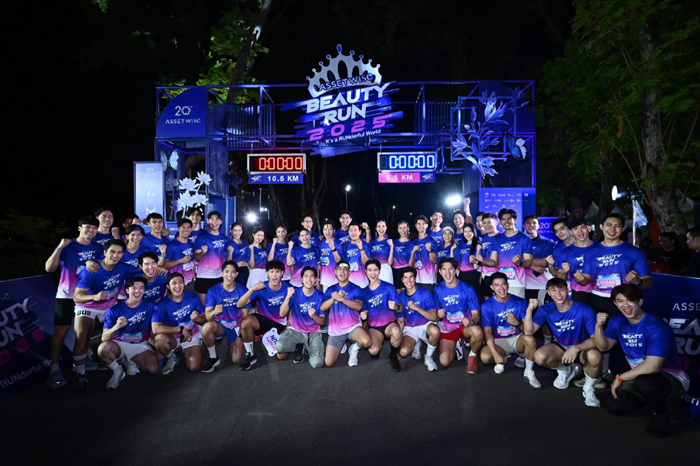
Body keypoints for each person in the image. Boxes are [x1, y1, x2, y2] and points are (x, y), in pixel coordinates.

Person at [595, 284, 690, 437]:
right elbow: (603, 346)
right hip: (639, 375)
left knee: (645, 382)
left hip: (671, 377)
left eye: (630, 300)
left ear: (640, 302)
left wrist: (620, 378)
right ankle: (658, 400)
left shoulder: (656, 326)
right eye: (620, 301)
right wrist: (598, 327)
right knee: (615, 406)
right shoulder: (617, 321)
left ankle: (660, 414)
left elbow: (653, 366)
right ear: (615, 303)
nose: (625, 305)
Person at [523, 278, 602, 407]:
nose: (558, 294)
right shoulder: (546, 309)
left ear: (567, 290)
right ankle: (565, 370)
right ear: (548, 292)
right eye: (553, 290)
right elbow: (528, 331)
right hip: (562, 345)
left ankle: (588, 388)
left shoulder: (584, 309)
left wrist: (576, 348)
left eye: (561, 290)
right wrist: (529, 310)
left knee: (595, 356)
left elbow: (596, 340)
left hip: (583, 347)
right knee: (539, 357)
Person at [44, 215, 102, 388]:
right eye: (87, 227)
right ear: (79, 228)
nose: (91, 230)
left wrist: (93, 262)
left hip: (86, 296)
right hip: (66, 295)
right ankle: (54, 369)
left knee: (85, 331)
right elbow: (49, 268)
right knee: (61, 332)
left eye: (94, 228)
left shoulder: (98, 248)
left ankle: (82, 362)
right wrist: (60, 247)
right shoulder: (68, 246)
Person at [72, 239, 136, 391]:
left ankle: (119, 360)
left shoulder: (123, 267)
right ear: (105, 252)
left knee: (127, 325)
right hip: (88, 306)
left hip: (109, 306)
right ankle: (81, 375)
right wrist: (94, 297)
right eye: (112, 251)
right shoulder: (91, 270)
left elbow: (142, 271)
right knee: (81, 336)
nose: (115, 255)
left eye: (119, 252)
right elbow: (77, 296)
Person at [479, 273, 540, 387]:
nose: (501, 288)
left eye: (503, 284)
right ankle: (505, 356)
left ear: (508, 285)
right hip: (499, 341)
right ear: (492, 287)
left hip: (517, 338)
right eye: (497, 285)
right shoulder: (486, 305)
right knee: (485, 357)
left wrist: (517, 323)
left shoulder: (520, 302)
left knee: (530, 339)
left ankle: (529, 372)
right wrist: (495, 354)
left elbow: (528, 331)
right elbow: (487, 332)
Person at [99, 277, 159, 389]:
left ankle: (130, 360)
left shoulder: (150, 305)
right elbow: (104, 337)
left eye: (141, 288)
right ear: (127, 290)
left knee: (153, 369)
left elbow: (159, 323)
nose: (137, 291)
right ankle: (117, 371)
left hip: (139, 344)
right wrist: (117, 326)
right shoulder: (115, 310)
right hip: (119, 344)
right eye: (134, 288)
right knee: (103, 349)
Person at [236, 260, 291, 371]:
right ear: (267, 273)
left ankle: (279, 339)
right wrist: (252, 289)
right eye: (271, 272)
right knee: (246, 322)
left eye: (277, 271)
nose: (274, 275)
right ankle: (250, 354)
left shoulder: (288, 288)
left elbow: (292, 310)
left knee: (282, 356)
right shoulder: (261, 287)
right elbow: (239, 304)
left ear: (282, 273)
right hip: (263, 321)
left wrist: (288, 327)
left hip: (280, 324)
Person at [434, 258, 483, 372]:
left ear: (456, 270)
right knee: (444, 362)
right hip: (448, 328)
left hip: (464, 327)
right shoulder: (437, 289)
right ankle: (458, 344)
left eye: (451, 269)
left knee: (478, 332)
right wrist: (438, 314)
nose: (447, 272)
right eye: (444, 269)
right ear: (440, 272)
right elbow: (435, 312)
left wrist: (471, 321)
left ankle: (472, 356)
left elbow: (476, 314)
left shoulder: (468, 289)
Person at [200, 261, 250, 372]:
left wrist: (240, 336)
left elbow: (245, 315)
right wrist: (214, 312)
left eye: (233, 272)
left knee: (236, 359)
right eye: (227, 272)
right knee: (207, 327)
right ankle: (213, 357)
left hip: (237, 325)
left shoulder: (243, 290)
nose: (229, 275)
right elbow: (208, 317)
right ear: (222, 273)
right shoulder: (213, 291)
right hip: (221, 325)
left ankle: (237, 342)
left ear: (236, 274)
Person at [320, 261, 372, 367]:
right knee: (328, 362)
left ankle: (354, 349)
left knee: (367, 342)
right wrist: (333, 299)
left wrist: (341, 299)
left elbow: (359, 306)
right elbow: (322, 307)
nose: (342, 271)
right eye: (339, 269)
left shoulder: (355, 288)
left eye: (345, 269)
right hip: (336, 331)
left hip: (353, 327)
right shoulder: (330, 289)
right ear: (335, 272)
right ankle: (341, 344)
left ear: (349, 272)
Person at [152, 272, 204, 374]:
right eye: (174, 283)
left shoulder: (193, 297)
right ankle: (171, 356)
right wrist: (180, 329)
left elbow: (204, 318)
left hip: (191, 335)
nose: (178, 286)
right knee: (160, 340)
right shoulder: (161, 304)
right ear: (168, 286)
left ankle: (194, 347)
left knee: (194, 367)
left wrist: (198, 318)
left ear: (184, 284)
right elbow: (155, 329)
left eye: (181, 282)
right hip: (173, 337)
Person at [277, 266, 327, 367]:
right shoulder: (295, 293)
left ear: (316, 280)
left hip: (313, 332)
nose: (309, 279)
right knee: (279, 347)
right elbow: (282, 314)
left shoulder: (321, 296)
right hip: (296, 330)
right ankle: (299, 344)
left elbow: (322, 322)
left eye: (312, 276)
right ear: (302, 279)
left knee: (317, 363)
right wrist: (288, 297)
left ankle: (306, 346)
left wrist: (314, 316)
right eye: (306, 276)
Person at [362, 259, 404, 372]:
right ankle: (378, 346)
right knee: (373, 351)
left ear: (379, 271)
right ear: (365, 272)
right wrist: (363, 315)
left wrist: (396, 307)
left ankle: (393, 355)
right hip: (374, 327)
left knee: (396, 332)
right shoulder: (364, 292)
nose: (373, 273)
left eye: (375, 270)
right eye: (370, 270)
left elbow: (401, 309)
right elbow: (364, 311)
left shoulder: (389, 287)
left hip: (389, 324)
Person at [396, 267, 440, 371]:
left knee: (435, 331)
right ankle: (415, 343)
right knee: (403, 352)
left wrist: (416, 308)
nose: (409, 280)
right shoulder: (400, 297)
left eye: (411, 277)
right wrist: (398, 345)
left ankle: (428, 357)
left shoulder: (425, 293)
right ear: (402, 280)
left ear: (415, 278)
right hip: (410, 328)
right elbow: (400, 321)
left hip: (425, 325)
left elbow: (433, 316)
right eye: (405, 277)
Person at [551, 218, 596, 304]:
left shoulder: (600, 248)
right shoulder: (565, 252)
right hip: (579, 293)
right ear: (571, 232)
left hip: (600, 292)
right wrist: (564, 271)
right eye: (575, 229)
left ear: (589, 228)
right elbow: (560, 279)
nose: (580, 231)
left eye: (583, 227)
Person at [495, 209, 533, 298]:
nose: (506, 221)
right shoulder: (497, 239)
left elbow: (529, 262)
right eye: (503, 219)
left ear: (515, 220)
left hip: (517, 283)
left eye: (509, 218)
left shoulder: (525, 238)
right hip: (500, 282)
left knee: (517, 306)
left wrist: (520, 263)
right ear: (500, 222)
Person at [194, 211, 229, 303]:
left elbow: (227, 257)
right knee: (204, 306)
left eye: (217, 219)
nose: (214, 222)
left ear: (220, 222)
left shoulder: (225, 238)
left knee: (218, 305)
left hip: (219, 276)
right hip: (204, 276)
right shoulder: (202, 237)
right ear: (208, 221)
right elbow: (196, 257)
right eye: (211, 219)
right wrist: (202, 253)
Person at [522, 215, 554, 303]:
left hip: (539, 283)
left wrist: (524, 262)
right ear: (524, 225)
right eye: (528, 223)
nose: (531, 225)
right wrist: (533, 266)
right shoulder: (519, 241)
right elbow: (513, 261)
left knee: (539, 307)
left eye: (534, 223)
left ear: (538, 226)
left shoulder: (546, 242)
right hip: (521, 282)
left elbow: (543, 262)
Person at [163, 218, 196, 292]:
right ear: (178, 228)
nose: (186, 230)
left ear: (191, 229)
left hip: (190, 281)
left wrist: (194, 275)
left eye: (188, 227)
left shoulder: (191, 243)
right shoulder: (172, 245)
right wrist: (181, 261)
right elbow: (165, 264)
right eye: (183, 227)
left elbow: (192, 261)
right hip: (177, 282)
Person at [335, 222, 371, 288]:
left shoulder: (365, 245)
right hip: (349, 281)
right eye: (351, 230)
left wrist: (361, 249)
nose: (353, 233)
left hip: (363, 281)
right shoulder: (345, 246)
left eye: (355, 230)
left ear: (360, 232)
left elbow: (367, 264)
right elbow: (342, 262)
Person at [452, 223, 481, 300]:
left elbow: (476, 267)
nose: (467, 234)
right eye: (465, 231)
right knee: (462, 298)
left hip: (472, 275)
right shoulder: (460, 245)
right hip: (461, 275)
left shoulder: (477, 246)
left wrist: (477, 253)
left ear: (474, 232)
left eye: (470, 231)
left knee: (473, 298)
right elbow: (455, 262)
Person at [409, 215, 438, 291]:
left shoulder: (431, 241)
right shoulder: (413, 242)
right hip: (416, 280)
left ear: (427, 225)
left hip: (429, 280)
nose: (421, 226)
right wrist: (413, 253)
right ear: (416, 225)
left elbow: (435, 260)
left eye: (423, 224)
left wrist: (430, 250)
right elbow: (411, 264)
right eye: (419, 224)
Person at [475, 212, 500, 298]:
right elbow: (482, 258)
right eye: (484, 223)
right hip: (485, 275)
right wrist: (482, 275)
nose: (486, 225)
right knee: (487, 300)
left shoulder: (501, 237)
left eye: (489, 222)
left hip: (498, 275)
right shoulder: (484, 239)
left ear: (496, 223)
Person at [366, 220, 394, 284]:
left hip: (386, 269)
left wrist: (392, 247)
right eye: (379, 226)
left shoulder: (389, 242)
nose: (381, 228)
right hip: (374, 269)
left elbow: (390, 263)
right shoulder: (372, 242)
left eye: (383, 226)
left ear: (386, 228)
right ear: (376, 228)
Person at [226, 222, 251, 287]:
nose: (237, 233)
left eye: (239, 230)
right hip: (236, 271)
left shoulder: (245, 243)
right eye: (235, 230)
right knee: (239, 290)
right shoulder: (229, 244)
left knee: (246, 289)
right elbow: (228, 263)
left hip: (245, 270)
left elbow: (248, 258)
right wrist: (230, 253)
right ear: (231, 231)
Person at [391, 221, 414, 287]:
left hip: (406, 271)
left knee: (406, 291)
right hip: (395, 271)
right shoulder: (393, 243)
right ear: (398, 230)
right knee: (397, 291)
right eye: (400, 228)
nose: (402, 230)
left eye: (404, 227)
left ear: (408, 229)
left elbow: (411, 263)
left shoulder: (411, 244)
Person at [319, 220, 339, 290]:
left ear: (334, 231)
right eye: (325, 229)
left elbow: (339, 261)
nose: (327, 232)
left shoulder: (337, 243)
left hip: (335, 279)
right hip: (324, 279)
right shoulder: (321, 243)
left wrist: (333, 249)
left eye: (330, 229)